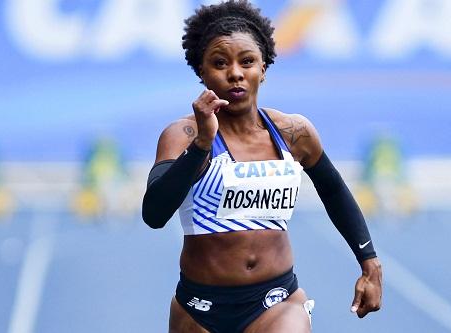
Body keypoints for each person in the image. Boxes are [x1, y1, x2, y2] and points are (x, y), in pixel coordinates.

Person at [142, 1, 382, 332]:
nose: (235, 73)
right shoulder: (183, 135)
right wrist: (200, 148)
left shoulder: (294, 133)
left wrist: (369, 262)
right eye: (220, 63)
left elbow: (333, 189)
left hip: (276, 301)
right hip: (200, 309)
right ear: (202, 72)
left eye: (247, 61)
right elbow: (154, 215)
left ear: (263, 69)